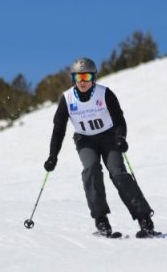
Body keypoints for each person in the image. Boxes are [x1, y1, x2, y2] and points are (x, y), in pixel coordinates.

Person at [43, 57, 158, 237]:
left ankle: (144, 219)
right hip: (85, 140)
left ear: (93, 78)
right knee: (91, 169)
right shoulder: (67, 99)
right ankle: (101, 219)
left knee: (118, 173)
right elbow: (58, 130)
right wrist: (53, 156)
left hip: (109, 138)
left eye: (86, 77)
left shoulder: (104, 94)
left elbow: (119, 120)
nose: (83, 82)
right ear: (73, 79)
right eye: (78, 77)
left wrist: (121, 138)